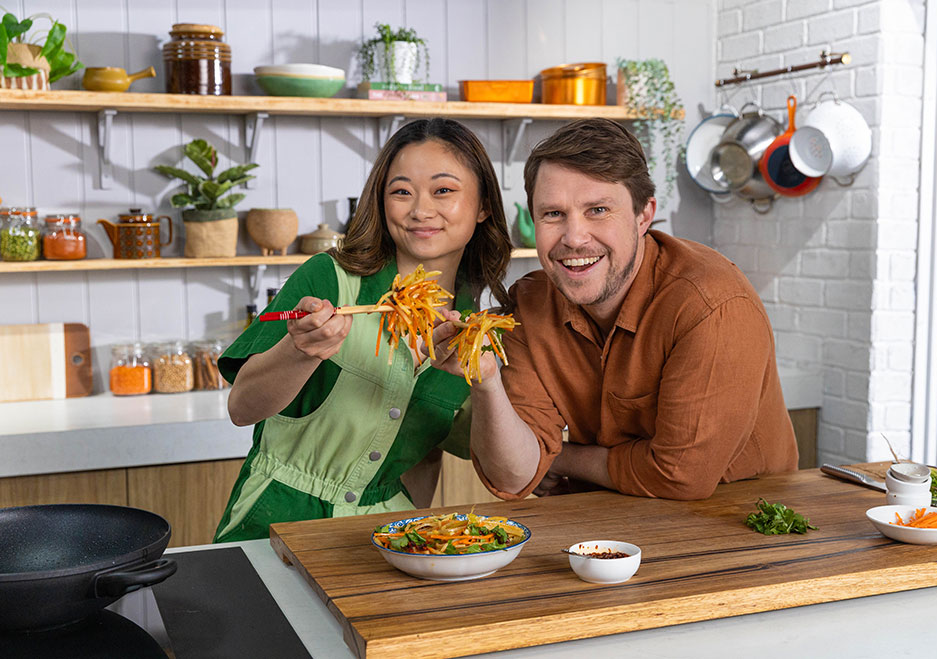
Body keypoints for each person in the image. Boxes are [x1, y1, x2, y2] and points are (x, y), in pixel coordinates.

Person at [430, 118, 797, 502]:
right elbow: (512, 477)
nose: (574, 238)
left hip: (743, 524)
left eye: (598, 210)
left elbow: (679, 477)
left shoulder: (710, 305)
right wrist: (486, 380)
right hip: (607, 528)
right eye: (553, 214)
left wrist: (562, 459)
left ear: (644, 215)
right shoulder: (530, 303)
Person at [213, 118, 513, 542]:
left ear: (483, 205)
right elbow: (241, 409)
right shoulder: (330, 280)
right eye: (401, 192)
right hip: (276, 522)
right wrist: (300, 351)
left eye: (443, 191)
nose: (420, 210)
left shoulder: (474, 330)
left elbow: (427, 454)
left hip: (387, 537)